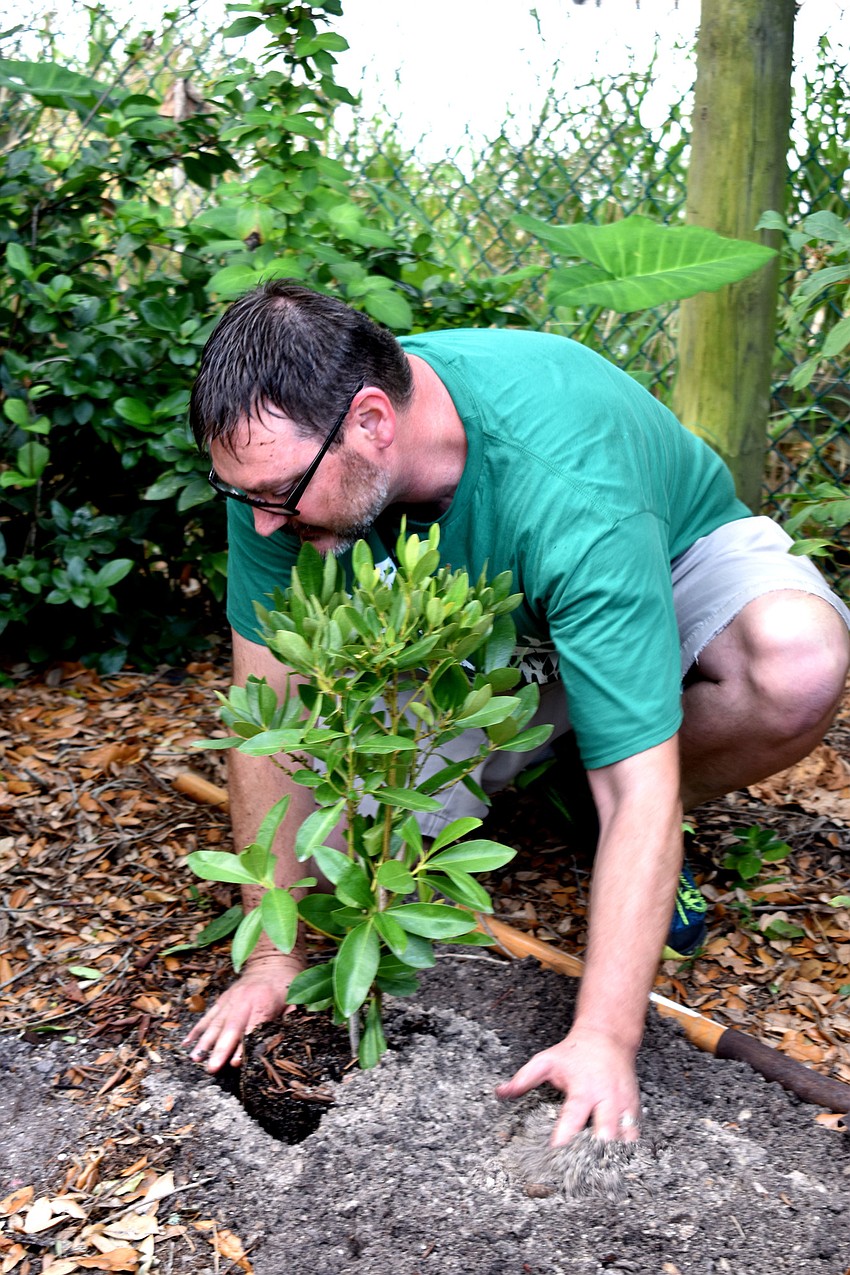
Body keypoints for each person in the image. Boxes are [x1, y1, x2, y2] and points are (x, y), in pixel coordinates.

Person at [183, 280, 850, 1145]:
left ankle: (589, 773)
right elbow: (266, 704)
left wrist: (604, 1036)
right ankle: (558, 749)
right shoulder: (280, 459)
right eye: (246, 498)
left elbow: (637, 792)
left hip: (659, 561)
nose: (263, 525)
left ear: (374, 421)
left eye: (277, 495)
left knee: (794, 664)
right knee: (351, 858)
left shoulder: (572, 491)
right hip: (477, 616)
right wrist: (272, 951)